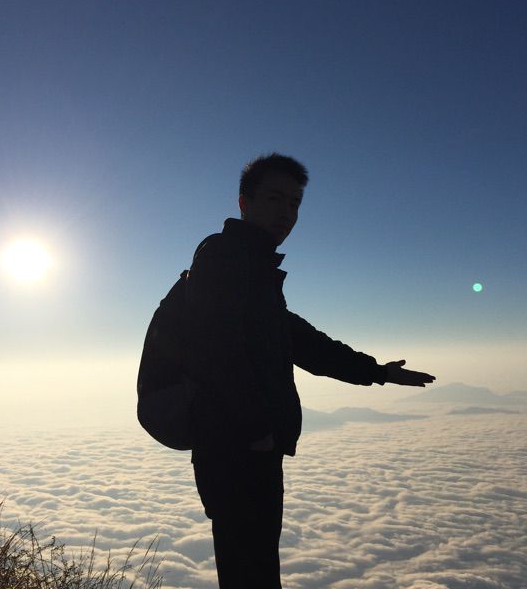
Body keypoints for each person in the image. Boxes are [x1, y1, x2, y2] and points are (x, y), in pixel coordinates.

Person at [184, 153, 435, 588]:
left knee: (255, 569)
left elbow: (304, 343)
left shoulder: (252, 269)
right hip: (237, 451)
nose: (287, 212)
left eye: (295, 203)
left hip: (249, 446)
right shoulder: (226, 261)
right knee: (251, 573)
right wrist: (255, 431)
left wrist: (377, 371)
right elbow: (214, 353)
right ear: (244, 202)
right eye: (274, 198)